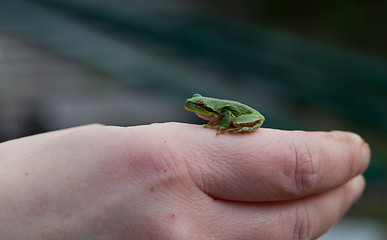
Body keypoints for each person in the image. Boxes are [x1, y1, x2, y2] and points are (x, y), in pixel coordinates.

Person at [0, 123, 370, 239]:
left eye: (199, 107)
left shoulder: (219, 114)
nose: (195, 110)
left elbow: (231, 116)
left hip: (243, 118)